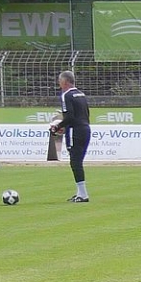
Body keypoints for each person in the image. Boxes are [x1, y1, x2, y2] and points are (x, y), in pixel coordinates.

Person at [51, 71, 91, 202]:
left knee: (75, 162)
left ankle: (83, 195)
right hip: (85, 129)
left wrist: (58, 126)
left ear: (65, 81)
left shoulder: (66, 95)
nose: (59, 84)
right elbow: (85, 114)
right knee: (78, 160)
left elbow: (70, 117)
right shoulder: (81, 94)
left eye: (60, 81)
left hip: (75, 131)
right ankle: (80, 192)